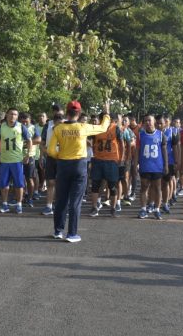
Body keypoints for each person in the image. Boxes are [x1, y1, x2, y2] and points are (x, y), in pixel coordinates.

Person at [48, 100, 110, 242]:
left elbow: (51, 150)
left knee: (61, 200)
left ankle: (58, 231)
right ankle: (72, 234)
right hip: (79, 165)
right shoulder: (84, 127)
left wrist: (60, 156)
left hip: (63, 164)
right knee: (75, 201)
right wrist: (106, 113)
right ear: (79, 113)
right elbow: (103, 127)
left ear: (67, 112)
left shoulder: (58, 128)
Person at [0, 108, 32, 214]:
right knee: (4, 184)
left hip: (17, 161)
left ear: (17, 116)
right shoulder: (1, 127)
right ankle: (4, 205)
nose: (13, 116)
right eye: (11, 114)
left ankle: (19, 205)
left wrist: (28, 155)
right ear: (7, 115)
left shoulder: (21, 127)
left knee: (19, 184)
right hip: (4, 160)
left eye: (15, 114)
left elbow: (29, 140)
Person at [89, 113, 126, 217]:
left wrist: (121, 158)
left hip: (111, 160)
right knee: (95, 185)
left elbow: (121, 143)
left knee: (112, 186)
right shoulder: (97, 128)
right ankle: (94, 207)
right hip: (98, 159)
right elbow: (91, 142)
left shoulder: (116, 128)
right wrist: (94, 154)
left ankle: (113, 208)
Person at [135, 114, 168, 220]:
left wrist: (166, 165)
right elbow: (137, 151)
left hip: (157, 166)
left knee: (158, 188)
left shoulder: (160, 134)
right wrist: (135, 164)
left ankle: (157, 209)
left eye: (149, 120)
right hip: (145, 166)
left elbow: (164, 151)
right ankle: (143, 209)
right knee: (144, 187)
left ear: (154, 122)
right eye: (145, 121)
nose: (147, 123)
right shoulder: (140, 135)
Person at [40, 104, 65, 216]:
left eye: (59, 112)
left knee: (62, 183)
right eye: (55, 112)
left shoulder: (68, 125)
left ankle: (62, 206)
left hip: (65, 158)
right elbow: (42, 143)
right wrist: (43, 155)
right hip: (51, 158)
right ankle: (49, 206)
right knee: (50, 182)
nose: (57, 114)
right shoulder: (48, 126)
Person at [20, 112, 41, 207]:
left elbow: (39, 140)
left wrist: (27, 142)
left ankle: (30, 199)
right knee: (18, 178)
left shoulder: (33, 128)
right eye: (23, 121)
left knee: (29, 178)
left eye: (26, 121)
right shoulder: (17, 127)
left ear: (30, 119)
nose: (24, 123)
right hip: (17, 156)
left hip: (30, 156)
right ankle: (20, 197)